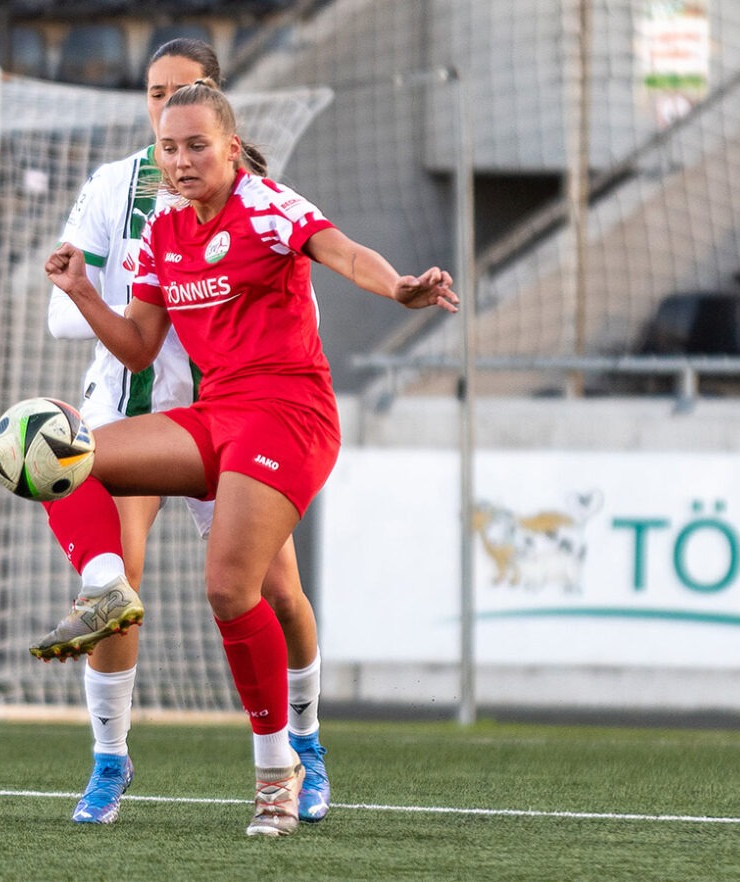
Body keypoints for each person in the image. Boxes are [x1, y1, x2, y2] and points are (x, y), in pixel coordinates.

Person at [40, 82, 457, 836]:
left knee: (233, 589)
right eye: (169, 147)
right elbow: (137, 345)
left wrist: (397, 286)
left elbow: (344, 252)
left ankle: (279, 771)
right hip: (214, 414)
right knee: (53, 448)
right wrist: (80, 293)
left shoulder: (267, 204)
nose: (181, 160)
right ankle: (105, 588)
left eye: (197, 144)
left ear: (231, 147)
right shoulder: (162, 230)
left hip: (288, 413)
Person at [36, 38, 333, 828]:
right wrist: (110, 292)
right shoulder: (113, 186)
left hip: (235, 414)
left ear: (217, 101)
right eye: (152, 94)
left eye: (182, 93)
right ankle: (109, 760)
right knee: (113, 587)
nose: (164, 106)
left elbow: (296, 301)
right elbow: (59, 311)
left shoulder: (256, 197)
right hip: (132, 405)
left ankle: (303, 742)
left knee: (275, 594)